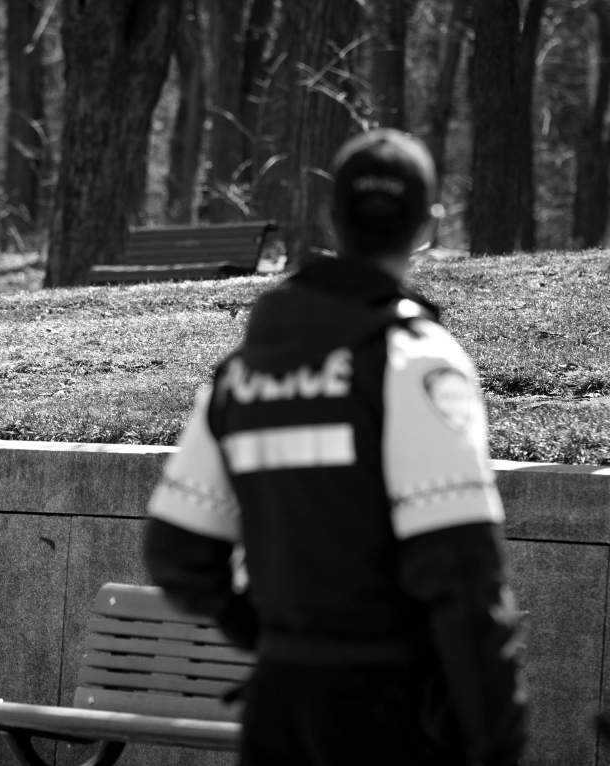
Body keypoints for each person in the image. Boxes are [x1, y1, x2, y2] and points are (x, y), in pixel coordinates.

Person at [143, 129, 527, 765]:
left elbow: (177, 550)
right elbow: (465, 576)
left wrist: (275, 637)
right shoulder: (414, 359)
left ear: (332, 218)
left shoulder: (246, 368)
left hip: (280, 712)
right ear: (427, 226)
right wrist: (496, 742)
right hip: (393, 715)